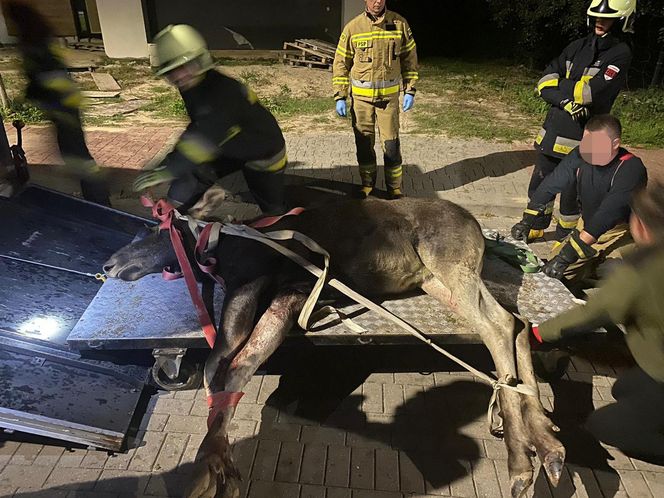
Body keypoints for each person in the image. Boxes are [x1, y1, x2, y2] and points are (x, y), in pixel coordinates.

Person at [531, 182, 664, 464]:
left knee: (604, 425)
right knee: (623, 389)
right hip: (655, 364)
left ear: (638, 224)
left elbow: (592, 314)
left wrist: (539, 333)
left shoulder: (640, 272)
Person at [133, 25, 287, 216]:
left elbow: (205, 138)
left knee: (273, 213)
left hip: (265, 153)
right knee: (192, 173)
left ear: (200, 59)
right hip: (229, 144)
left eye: (183, 67)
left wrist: (170, 169)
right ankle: (175, 217)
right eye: (172, 71)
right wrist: (169, 163)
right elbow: (197, 127)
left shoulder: (223, 92)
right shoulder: (192, 85)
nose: (178, 76)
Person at [526, 0, 636, 241]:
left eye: (607, 18)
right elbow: (543, 82)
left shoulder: (620, 54)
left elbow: (589, 94)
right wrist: (565, 101)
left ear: (622, 21)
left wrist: (560, 87)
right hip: (553, 129)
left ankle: (566, 236)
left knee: (571, 190)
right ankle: (535, 224)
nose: (600, 21)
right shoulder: (577, 46)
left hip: (582, 135)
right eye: (596, 16)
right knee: (541, 181)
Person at [512, 115, 647, 288]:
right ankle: (586, 272)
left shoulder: (631, 169)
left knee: (614, 274)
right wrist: (527, 220)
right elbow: (551, 184)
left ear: (615, 144)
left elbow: (607, 215)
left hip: (619, 233)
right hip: (586, 226)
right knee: (554, 275)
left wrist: (567, 255)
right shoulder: (581, 155)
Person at [6, 1, 110, 205]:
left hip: (62, 105)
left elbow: (42, 75)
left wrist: (32, 95)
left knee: (77, 156)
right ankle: (97, 196)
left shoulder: (33, 44)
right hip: (65, 103)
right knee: (76, 154)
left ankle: (100, 200)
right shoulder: (40, 37)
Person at [332, 0, 419, 200]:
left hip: (388, 99)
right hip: (361, 101)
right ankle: (367, 185)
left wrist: (410, 90)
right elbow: (340, 63)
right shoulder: (353, 28)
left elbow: (410, 58)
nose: (377, 1)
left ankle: (394, 188)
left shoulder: (399, 24)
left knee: (391, 146)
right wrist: (340, 95)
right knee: (364, 144)